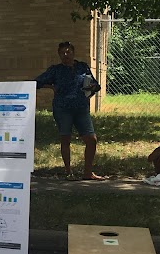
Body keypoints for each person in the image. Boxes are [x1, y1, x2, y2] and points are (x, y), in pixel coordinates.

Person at [35, 40, 106, 180]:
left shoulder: (82, 67)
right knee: (66, 139)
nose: (66, 55)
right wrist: (51, 87)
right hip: (63, 109)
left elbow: (94, 85)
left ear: (73, 52)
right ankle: (69, 172)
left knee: (91, 139)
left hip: (81, 108)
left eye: (68, 52)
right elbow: (37, 81)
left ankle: (88, 172)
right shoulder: (56, 70)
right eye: (62, 53)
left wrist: (89, 91)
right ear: (59, 55)